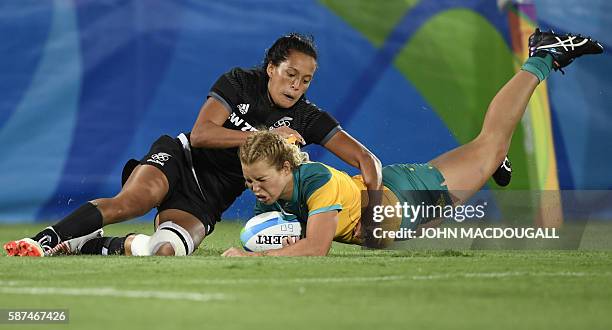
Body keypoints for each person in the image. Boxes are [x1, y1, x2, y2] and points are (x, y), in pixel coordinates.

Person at [221, 29, 603, 257]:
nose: (254, 189)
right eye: (250, 181)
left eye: (259, 180)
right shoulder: (272, 188)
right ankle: (487, 164)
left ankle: (542, 57)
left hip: (406, 200)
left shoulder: (315, 179)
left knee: (491, 144)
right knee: (482, 156)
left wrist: (256, 255)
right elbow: (288, 235)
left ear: (286, 167)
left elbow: (315, 249)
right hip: (399, 200)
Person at [4, 33, 384, 257]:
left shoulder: (307, 117)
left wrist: (372, 216)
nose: (296, 86)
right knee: (131, 202)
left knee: (164, 251)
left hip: (210, 198)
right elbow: (202, 133)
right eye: (290, 75)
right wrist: (265, 137)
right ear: (271, 67)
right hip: (182, 157)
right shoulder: (239, 82)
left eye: (306, 80)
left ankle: (87, 245)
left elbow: (366, 160)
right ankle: (42, 241)